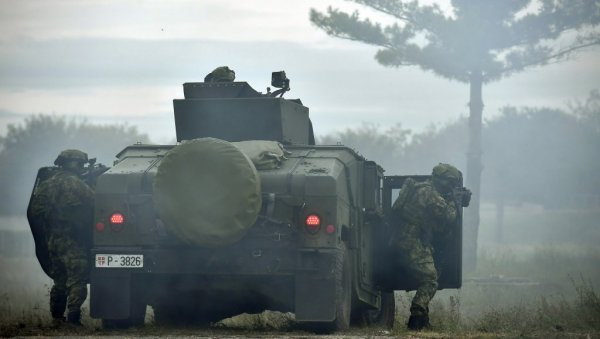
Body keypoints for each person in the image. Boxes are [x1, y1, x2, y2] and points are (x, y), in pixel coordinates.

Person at [391, 163, 470, 330]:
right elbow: (449, 217)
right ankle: (417, 319)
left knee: (429, 276)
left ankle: (423, 320)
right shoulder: (429, 193)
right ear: (441, 180)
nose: (450, 186)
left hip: (407, 240)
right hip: (411, 242)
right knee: (430, 280)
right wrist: (455, 201)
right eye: (450, 183)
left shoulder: (422, 189)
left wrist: (452, 198)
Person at [29, 149, 95, 327]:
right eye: (80, 163)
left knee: (59, 280)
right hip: (71, 239)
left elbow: (34, 211)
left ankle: (57, 319)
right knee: (78, 278)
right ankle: (73, 319)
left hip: (52, 240)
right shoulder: (74, 183)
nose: (81, 167)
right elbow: (94, 202)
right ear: (71, 163)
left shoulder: (46, 184)